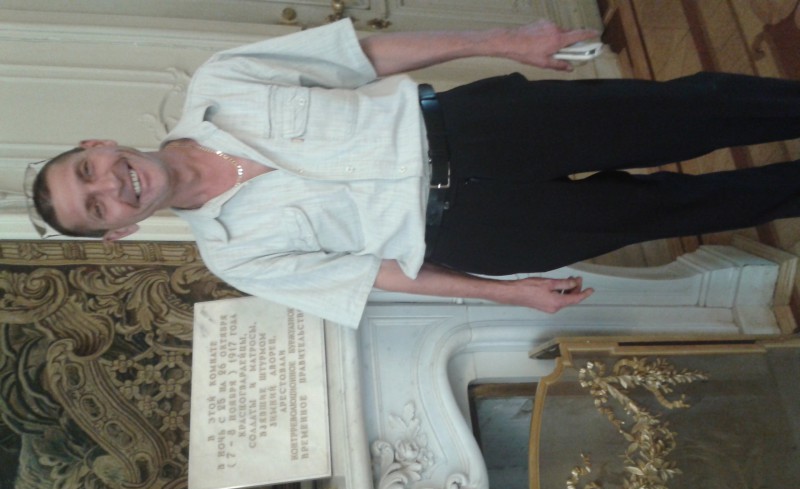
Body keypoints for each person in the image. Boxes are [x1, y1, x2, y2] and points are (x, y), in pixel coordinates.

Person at [30, 20, 800, 328]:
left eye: (88, 170)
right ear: (120, 230)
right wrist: (509, 292)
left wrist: (504, 42)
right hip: (479, 232)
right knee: (679, 207)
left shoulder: (220, 81)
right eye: (95, 207)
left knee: (693, 111)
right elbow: (376, 277)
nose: (110, 185)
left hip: (479, 127)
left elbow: (361, 55)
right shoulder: (234, 256)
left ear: (99, 143)